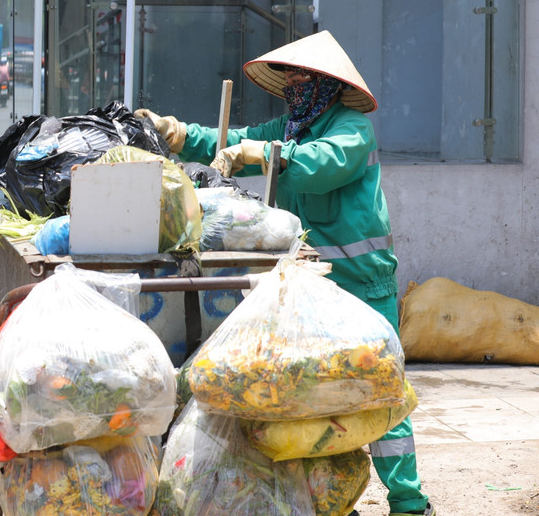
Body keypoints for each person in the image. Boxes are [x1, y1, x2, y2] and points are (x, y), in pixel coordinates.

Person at [136, 30, 435, 516]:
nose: (295, 84)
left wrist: (266, 154)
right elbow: (234, 138)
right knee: (313, 391)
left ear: (325, 84)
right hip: (310, 284)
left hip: (360, 280)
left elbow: (322, 166)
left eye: (304, 77)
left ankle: (408, 503)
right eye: (291, 76)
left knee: (378, 392)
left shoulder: (351, 129)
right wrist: (179, 133)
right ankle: (331, 497)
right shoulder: (292, 125)